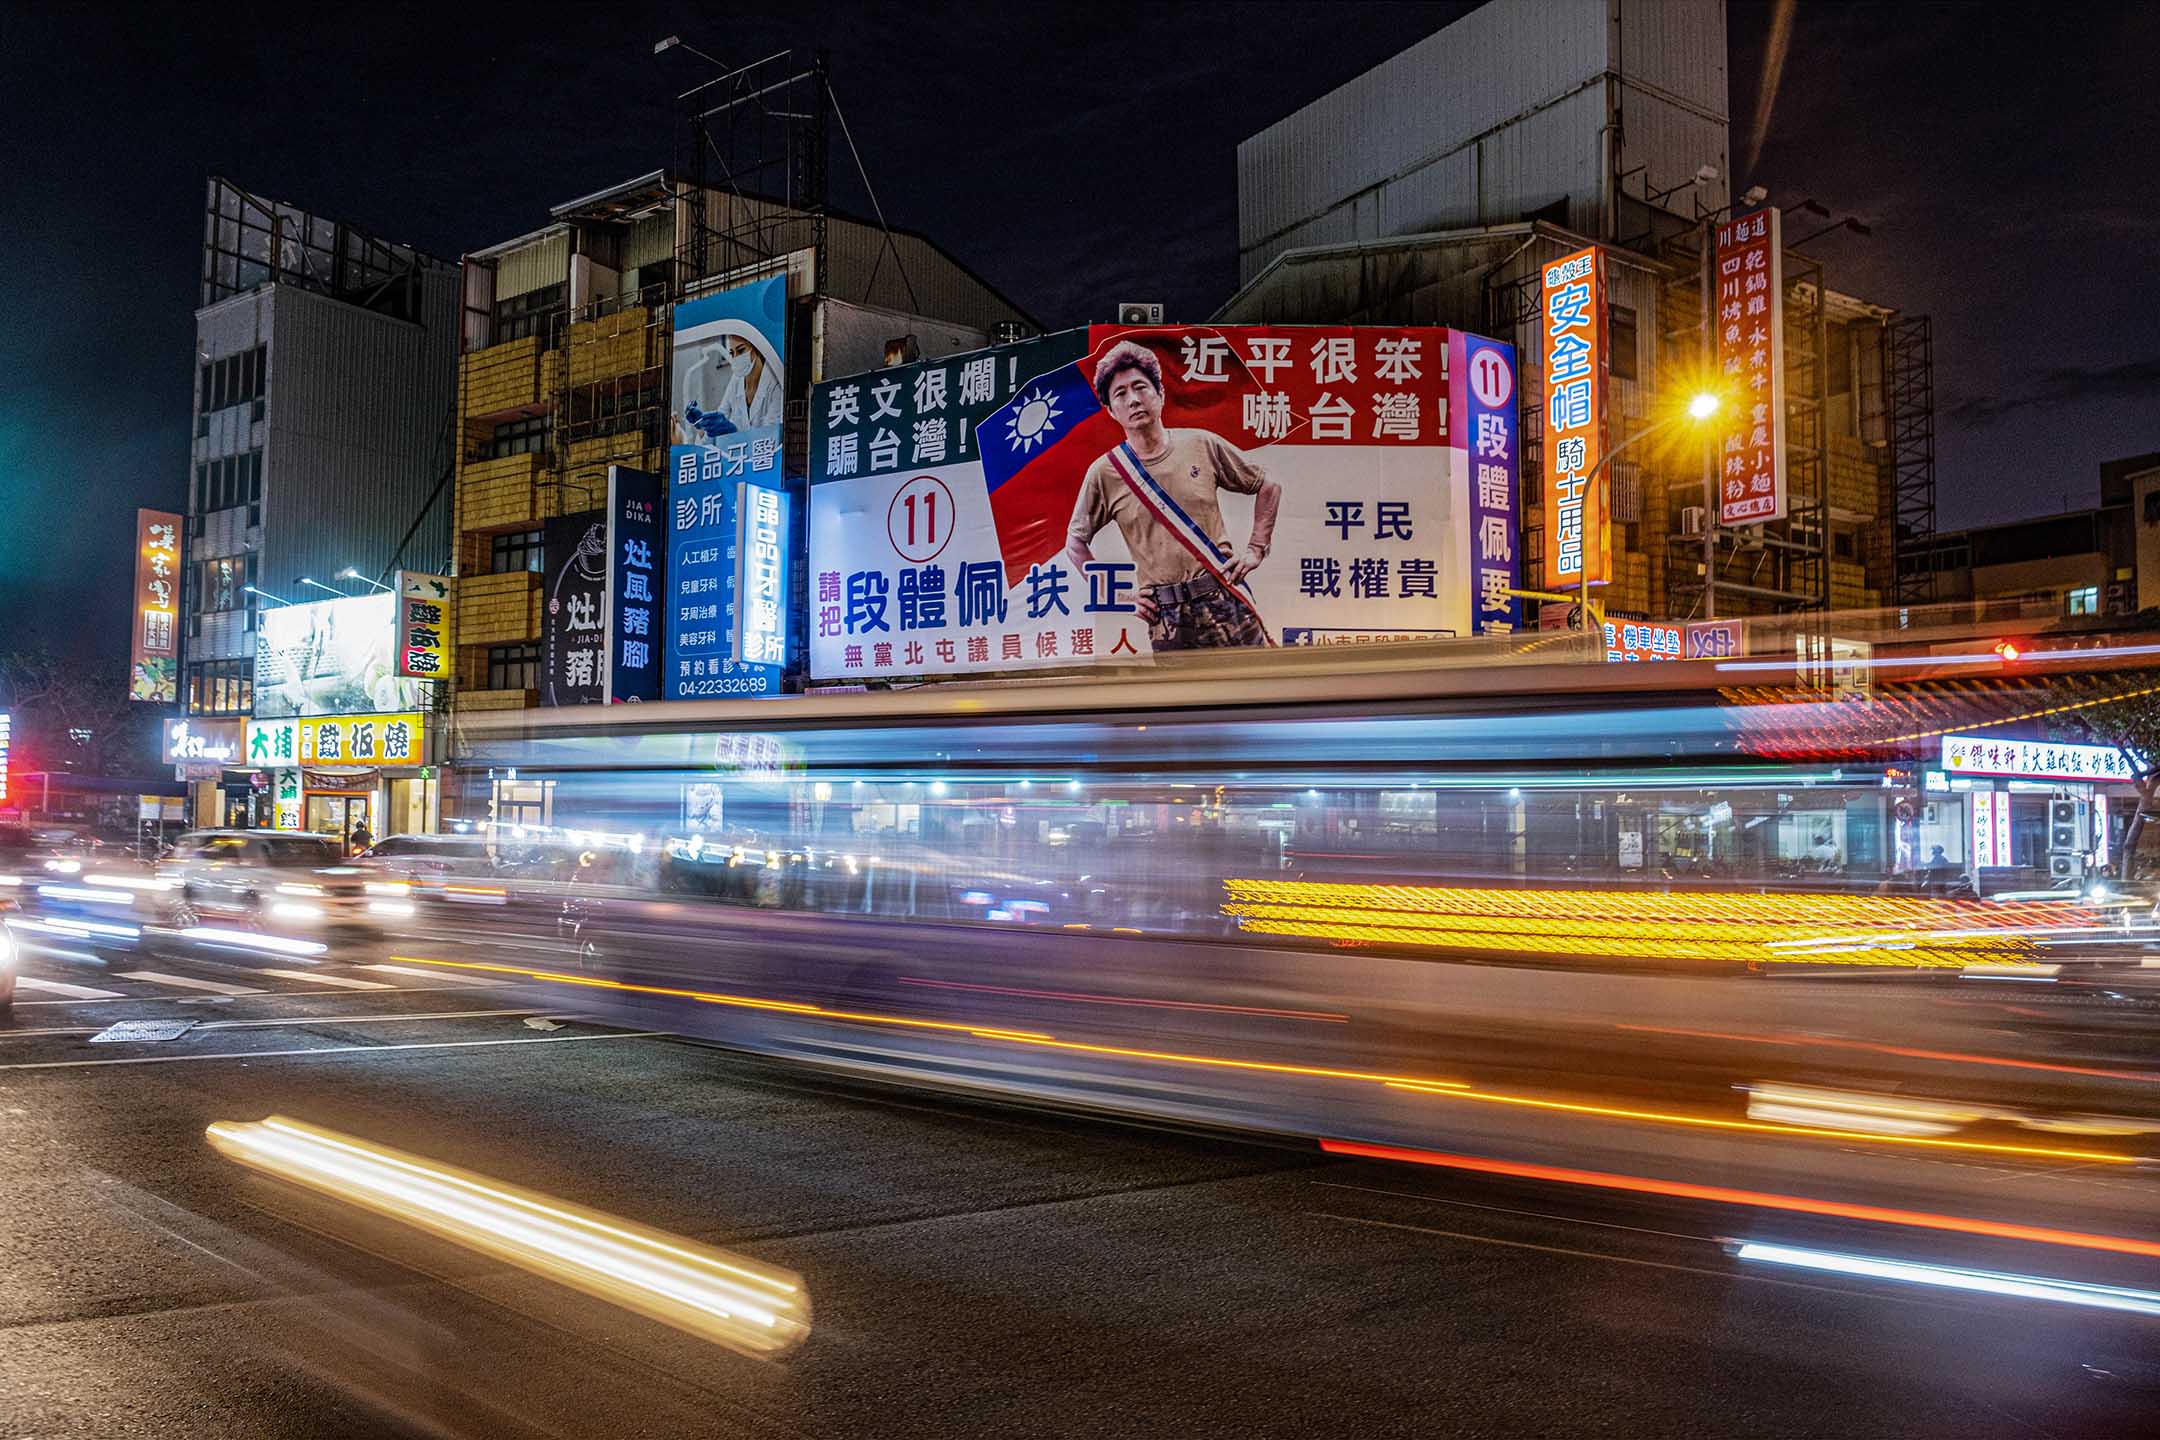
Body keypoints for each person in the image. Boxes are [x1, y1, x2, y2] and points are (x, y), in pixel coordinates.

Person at [1064, 342, 1282, 651]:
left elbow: (1267, 484)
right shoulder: (1106, 472)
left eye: (1140, 387)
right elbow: (1074, 543)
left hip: (1222, 597)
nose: (1134, 399)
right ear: (1111, 411)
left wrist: (1255, 550)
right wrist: (1117, 597)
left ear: (1160, 394)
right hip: (1167, 617)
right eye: (1121, 393)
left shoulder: (1201, 445)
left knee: (1254, 691)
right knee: (1185, 698)